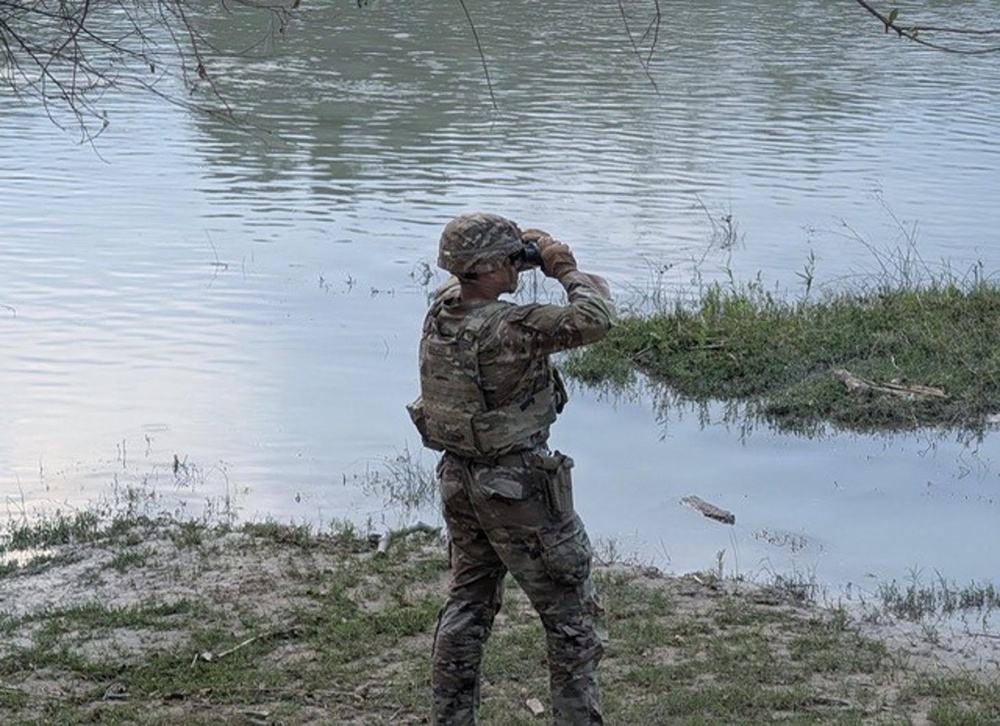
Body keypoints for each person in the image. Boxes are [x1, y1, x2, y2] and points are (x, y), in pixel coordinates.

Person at [407, 212, 616, 725]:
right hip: (518, 487)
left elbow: (462, 284)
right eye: (507, 261)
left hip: (460, 479)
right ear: (484, 267)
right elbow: (598, 314)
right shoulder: (512, 327)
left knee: (468, 605)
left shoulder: (441, 309)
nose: (516, 267)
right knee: (572, 621)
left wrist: (512, 253)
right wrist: (561, 265)